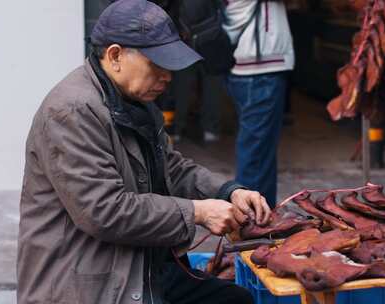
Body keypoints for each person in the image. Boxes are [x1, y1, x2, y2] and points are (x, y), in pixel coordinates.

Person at [16, 1, 272, 304]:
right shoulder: (71, 111)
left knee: (234, 300)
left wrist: (228, 191)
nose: (167, 77)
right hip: (87, 282)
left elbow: (171, 167)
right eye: (157, 65)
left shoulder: (137, 101)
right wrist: (197, 212)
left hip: (144, 264)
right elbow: (104, 211)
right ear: (115, 56)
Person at [222, 0, 295, 206]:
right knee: (256, 153)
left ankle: (263, 217)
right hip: (258, 69)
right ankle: (250, 221)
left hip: (251, 66)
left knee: (260, 151)